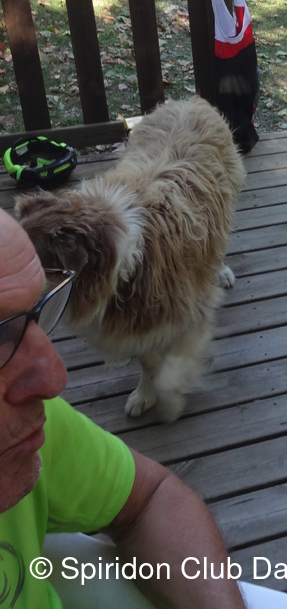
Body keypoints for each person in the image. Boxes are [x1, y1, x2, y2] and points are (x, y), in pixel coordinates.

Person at [0, 207, 247, 609]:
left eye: (37, 313)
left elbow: (149, 499)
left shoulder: (26, 431)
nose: (56, 380)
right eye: (0, 335)